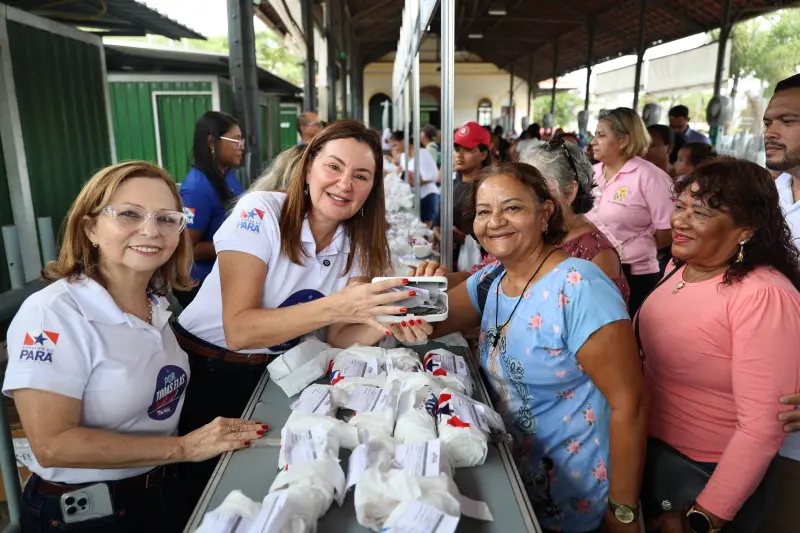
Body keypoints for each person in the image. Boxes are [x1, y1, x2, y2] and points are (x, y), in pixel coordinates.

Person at [3, 162, 267, 533]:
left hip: (158, 492)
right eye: (129, 214)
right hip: (88, 514)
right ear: (90, 228)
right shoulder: (52, 313)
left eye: (166, 218)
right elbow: (53, 445)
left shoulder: (156, 303)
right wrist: (185, 448)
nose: (151, 230)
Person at [391, 163, 646, 533]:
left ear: (545, 214)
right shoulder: (494, 277)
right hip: (515, 479)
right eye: (483, 212)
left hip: (575, 498)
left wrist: (623, 511)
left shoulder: (579, 286)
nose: (495, 222)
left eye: (512, 208)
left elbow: (631, 404)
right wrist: (374, 289)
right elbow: (424, 316)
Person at [173, 120, 413, 504]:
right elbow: (240, 330)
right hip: (207, 370)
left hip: (273, 374)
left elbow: (339, 336)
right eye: (333, 166)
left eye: (361, 176)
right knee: (205, 496)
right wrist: (338, 304)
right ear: (309, 167)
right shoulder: (260, 211)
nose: (345, 184)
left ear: (373, 188)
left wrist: (387, 319)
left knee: (264, 489)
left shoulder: (358, 242)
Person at [637, 158, 800, 533]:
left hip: (706, 475)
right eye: (680, 207)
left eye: (701, 213)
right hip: (655, 456)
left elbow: (762, 428)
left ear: (746, 228)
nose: (680, 222)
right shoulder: (680, 268)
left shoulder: (763, 296)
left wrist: (703, 516)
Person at [760, 72, 800, 533]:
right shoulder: (770, 194)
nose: (770, 131)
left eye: (787, 121)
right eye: (769, 121)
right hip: (752, 410)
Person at [521, 139, 630, 305]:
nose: (525, 197)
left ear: (570, 191)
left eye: (538, 189)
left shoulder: (598, 256)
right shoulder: (536, 230)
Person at [586, 107, 674, 313]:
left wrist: (635, 247)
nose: (593, 141)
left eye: (601, 135)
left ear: (623, 140)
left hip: (635, 275)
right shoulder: (590, 174)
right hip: (591, 269)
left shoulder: (649, 176)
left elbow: (668, 231)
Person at [175, 112, 245, 308]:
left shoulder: (226, 175)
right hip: (203, 286)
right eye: (236, 140)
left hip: (227, 277)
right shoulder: (197, 188)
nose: (242, 146)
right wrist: (238, 243)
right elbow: (188, 249)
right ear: (212, 142)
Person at [433, 122, 492, 270]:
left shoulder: (488, 188)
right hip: (448, 257)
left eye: (468, 149)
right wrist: (437, 230)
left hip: (476, 263)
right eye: (457, 149)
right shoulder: (452, 183)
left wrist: (464, 239)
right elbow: (439, 218)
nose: (459, 154)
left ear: (483, 154)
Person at [390, 130, 440, 226]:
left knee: (426, 228)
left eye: (395, 145)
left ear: (404, 141)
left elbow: (434, 176)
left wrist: (416, 182)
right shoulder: (403, 156)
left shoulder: (422, 153)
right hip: (413, 197)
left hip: (427, 197)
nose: (394, 148)